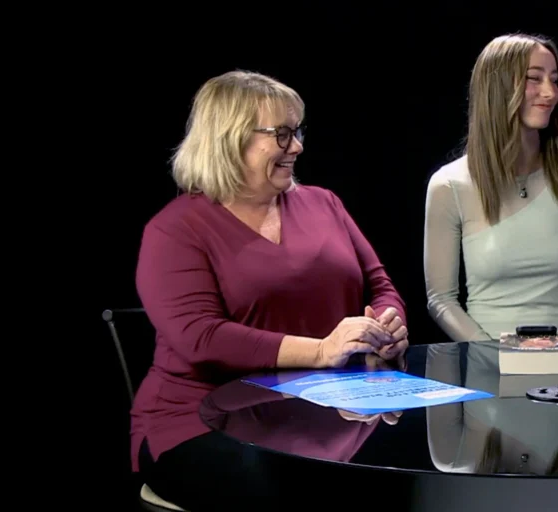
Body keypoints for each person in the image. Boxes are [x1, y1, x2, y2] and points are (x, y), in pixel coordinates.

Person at [131, 70, 409, 509]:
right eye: (281, 134)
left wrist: (388, 322)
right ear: (230, 137)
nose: (297, 146)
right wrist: (321, 350)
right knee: (292, 493)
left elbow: (380, 284)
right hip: (204, 420)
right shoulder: (175, 229)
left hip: (328, 409)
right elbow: (201, 337)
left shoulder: (324, 203)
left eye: (297, 132)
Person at [423, 33, 558, 343]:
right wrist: (493, 353)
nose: (550, 92)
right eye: (534, 78)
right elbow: (441, 298)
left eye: (554, 80)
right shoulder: (448, 186)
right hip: (486, 371)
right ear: (498, 87)